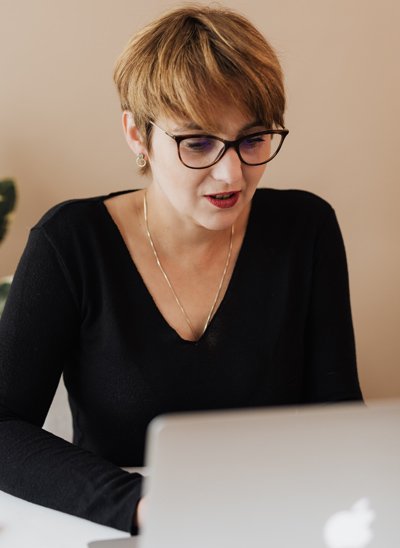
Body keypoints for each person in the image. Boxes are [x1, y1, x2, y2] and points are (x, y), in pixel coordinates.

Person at [0, 4, 362, 535]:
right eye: (197, 143)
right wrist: (144, 505)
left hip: (276, 519)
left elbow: (339, 420)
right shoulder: (70, 242)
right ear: (136, 134)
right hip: (130, 526)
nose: (231, 173)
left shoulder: (306, 229)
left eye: (253, 139)